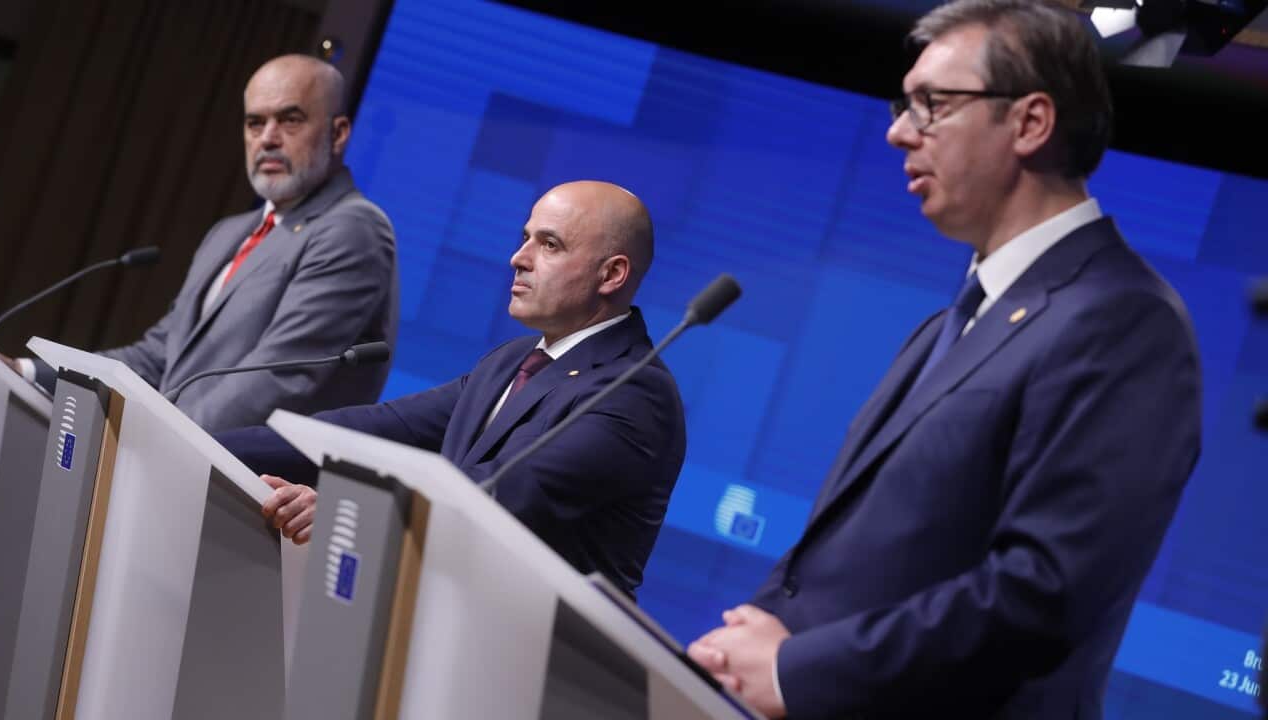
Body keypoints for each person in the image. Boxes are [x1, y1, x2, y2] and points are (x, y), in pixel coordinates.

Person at [686, 2, 1202, 718]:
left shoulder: (1123, 320)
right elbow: (855, 556)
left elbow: (1042, 591)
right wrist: (747, 643)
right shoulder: (948, 323)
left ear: (1029, 123)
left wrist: (798, 668)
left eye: (932, 104)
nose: (899, 131)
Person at [218, 180, 685, 597]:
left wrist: (345, 507)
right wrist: (208, 444)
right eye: (526, 238)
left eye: (549, 244)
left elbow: (509, 491)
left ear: (612, 275)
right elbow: (369, 430)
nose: (518, 259)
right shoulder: (509, 362)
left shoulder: (635, 393)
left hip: (543, 666)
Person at [0, 54, 398, 433]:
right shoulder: (229, 233)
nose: (268, 138)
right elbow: (157, 358)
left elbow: (275, 378)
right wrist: (26, 372)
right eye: (255, 123)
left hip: (247, 488)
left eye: (290, 120)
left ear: (339, 132)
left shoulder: (352, 229)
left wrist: (150, 440)